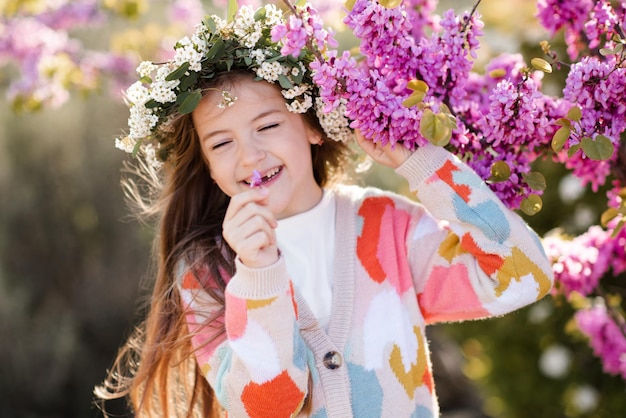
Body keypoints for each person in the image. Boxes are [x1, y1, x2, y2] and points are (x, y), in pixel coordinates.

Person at [96, 3, 554, 417]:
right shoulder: (207, 270)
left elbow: (523, 276)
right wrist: (257, 272)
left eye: (268, 125)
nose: (250, 155)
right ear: (209, 167)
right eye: (222, 143)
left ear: (313, 128)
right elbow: (268, 406)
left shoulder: (389, 228)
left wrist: (423, 164)